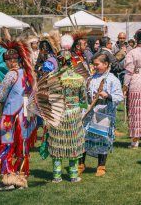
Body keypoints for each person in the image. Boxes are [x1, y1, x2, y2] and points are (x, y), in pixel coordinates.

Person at [0, 30, 36, 191]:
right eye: (7, 60)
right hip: (25, 119)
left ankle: (8, 181)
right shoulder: (28, 75)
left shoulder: (11, 74)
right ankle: (20, 178)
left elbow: (0, 96)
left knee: (7, 146)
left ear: (15, 60)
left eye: (10, 60)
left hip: (10, 119)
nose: (8, 63)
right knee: (21, 149)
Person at [46, 48, 86, 183]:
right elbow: (83, 99)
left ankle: (57, 176)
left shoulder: (52, 78)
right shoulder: (79, 78)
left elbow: (49, 98)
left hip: (58, 113)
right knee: (73, 143)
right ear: (71, 61)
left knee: (58, 143)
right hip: (74, 113)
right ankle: (73, 175)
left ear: (59, 61)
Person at [79, 53, 123, 176]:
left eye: (97, 64)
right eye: (93, 64)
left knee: (102, 138)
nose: (94, 66)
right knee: (83, 137)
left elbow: (119, 97)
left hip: (104, 114)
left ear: (106, 64)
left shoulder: (112, 79)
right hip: (88, 113)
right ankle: (80, 164)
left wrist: (107, 96)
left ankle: (101, 166)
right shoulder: (91, 78)